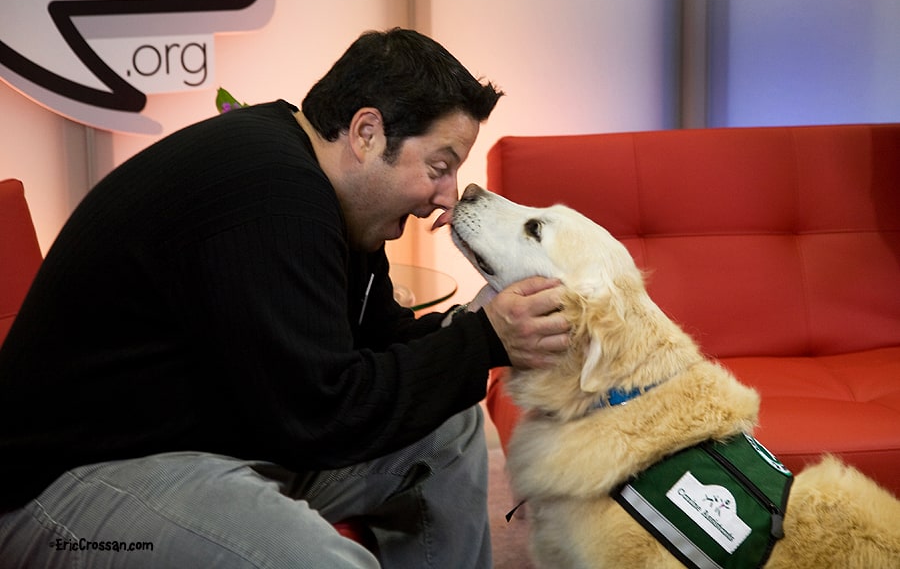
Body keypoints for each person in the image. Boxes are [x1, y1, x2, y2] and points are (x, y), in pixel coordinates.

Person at [0, 28, 569, 568]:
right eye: (439, 168)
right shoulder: (273, 195)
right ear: (367, 133)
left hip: (212, 439)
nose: (446, 200)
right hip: (67, 484)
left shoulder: (322, 190)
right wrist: (481, 340)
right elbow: (321, 414)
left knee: (450, 428)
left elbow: (374, 346)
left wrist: (471, 326)